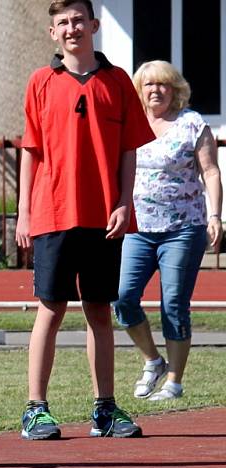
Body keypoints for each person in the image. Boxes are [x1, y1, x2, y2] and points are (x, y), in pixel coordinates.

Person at [14, 1, 155, 440]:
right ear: (52, 32)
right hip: (52, 212)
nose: (72, 28)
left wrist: (123, 201)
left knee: (99, 311)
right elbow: (30, 151)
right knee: (50, 311)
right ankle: (35, 409)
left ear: (94, 25)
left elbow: (129, 151)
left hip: (103, 216)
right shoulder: (41, 81)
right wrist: (24, 211)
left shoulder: (117, 83)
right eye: (62, 23)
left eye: (78, 20)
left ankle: (105, 410)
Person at [113, 60, 223, 401]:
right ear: (139, 90)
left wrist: (215, 216)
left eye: (163, 85)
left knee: (174, 303)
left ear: (176, 90)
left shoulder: (192, 124)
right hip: (137, 227)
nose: (155, 90)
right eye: (148, 85)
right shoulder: (129, 122)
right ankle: (153, 360)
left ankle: (174, 381)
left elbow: (211, 172)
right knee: (123, 297)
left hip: (183, 228)